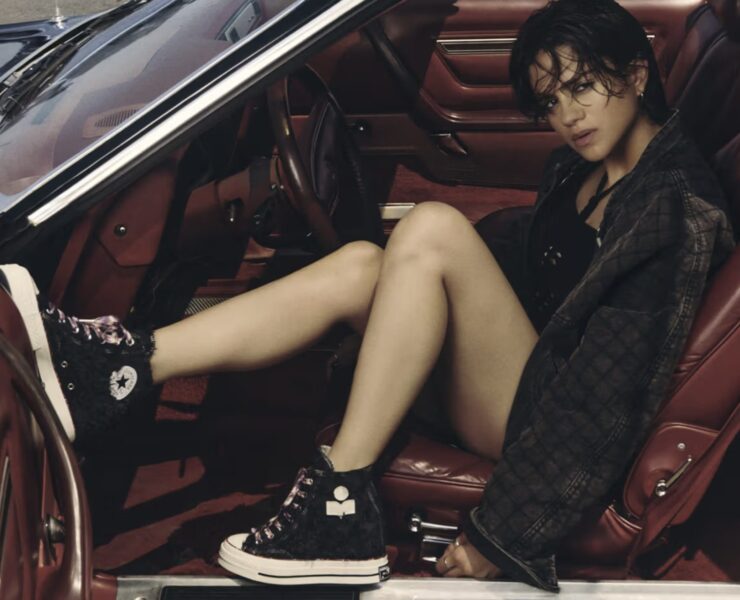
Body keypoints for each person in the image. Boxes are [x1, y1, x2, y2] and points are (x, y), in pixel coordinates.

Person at [0, 0, 734, 591]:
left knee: (433, 230)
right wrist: (437, 285)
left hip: (543, 413)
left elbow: (602, 404)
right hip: (533, 366)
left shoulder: (671, 214)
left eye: (583, 86)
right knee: (362, 263)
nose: (568, 115)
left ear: (635, 73)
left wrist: (499, 537)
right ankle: (121, 369)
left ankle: (338, 503)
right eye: (550, 100)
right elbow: (535, 264)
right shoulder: (585, 168)